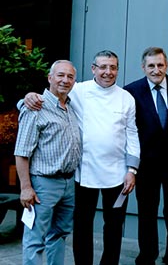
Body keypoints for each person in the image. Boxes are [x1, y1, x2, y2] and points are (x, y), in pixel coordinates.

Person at [23, 50, 140, 265]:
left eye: (112, 67)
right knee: (83, 225)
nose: (107, 72)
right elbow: (47, 99)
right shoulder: (78, 90)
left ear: (117, 70)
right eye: (103, 67)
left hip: (117, 174)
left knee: (114, 225)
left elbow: (132, 134)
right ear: (93, 69)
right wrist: (27, 98)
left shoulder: (126, 98)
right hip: (83, 172)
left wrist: (131, 170)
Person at [124, 47, 168, 265]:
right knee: (147, 213)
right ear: (143, 67)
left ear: (166, 65)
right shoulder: (131, 91)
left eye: (160, 65)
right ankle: (147, 256)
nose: (156, 70)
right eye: (151, 66)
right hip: (146, 165)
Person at [14, 60, 81, 265]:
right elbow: (21, 152)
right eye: (60, 75)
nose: (65, 80)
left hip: (68, 184)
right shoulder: (35, 107)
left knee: (59, 234)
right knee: (35, 239)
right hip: (43, 184)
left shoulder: (70, 106)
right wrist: (26, 187)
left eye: (70, 76)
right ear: (50, 78)